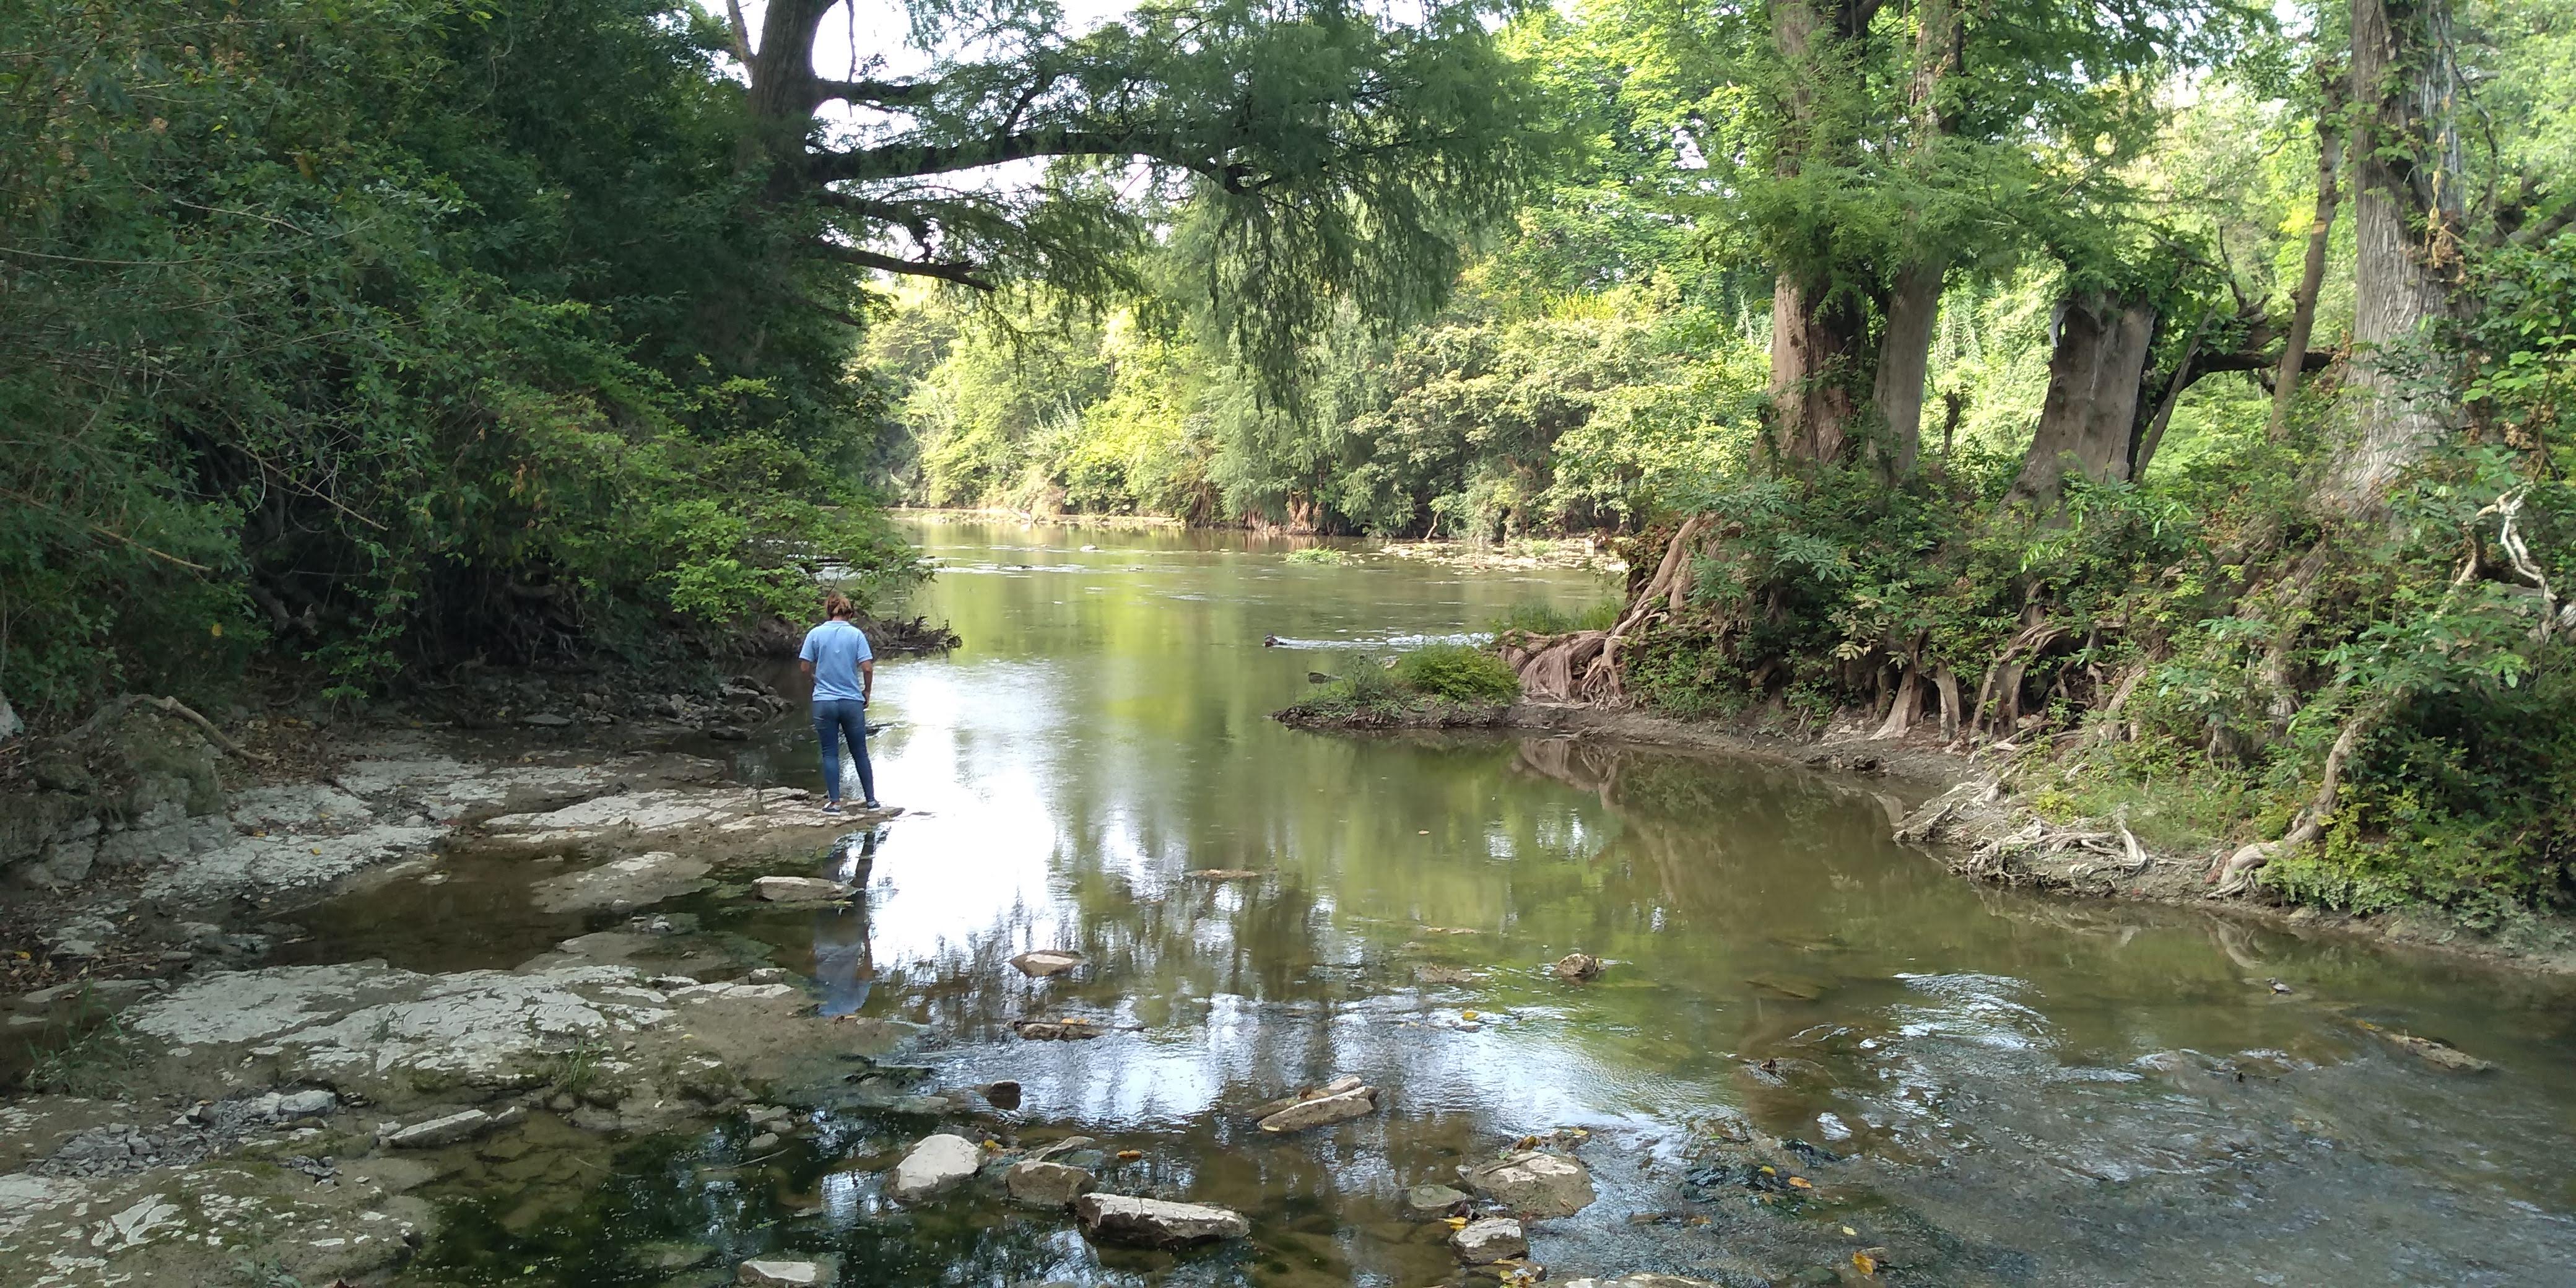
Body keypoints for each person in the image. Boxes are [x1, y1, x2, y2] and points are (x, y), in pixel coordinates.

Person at [799, 593, 877, 813]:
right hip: (851, 701)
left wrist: (815, 680)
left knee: (829, 752)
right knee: (860, 752)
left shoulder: (815, 634)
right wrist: (867, 691)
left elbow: (804, 666)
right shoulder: (856, 635)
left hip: (824, 701)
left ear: (828, 611)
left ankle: (834, 803)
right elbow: (868, 667)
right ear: (850, 614)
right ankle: (871, 801)